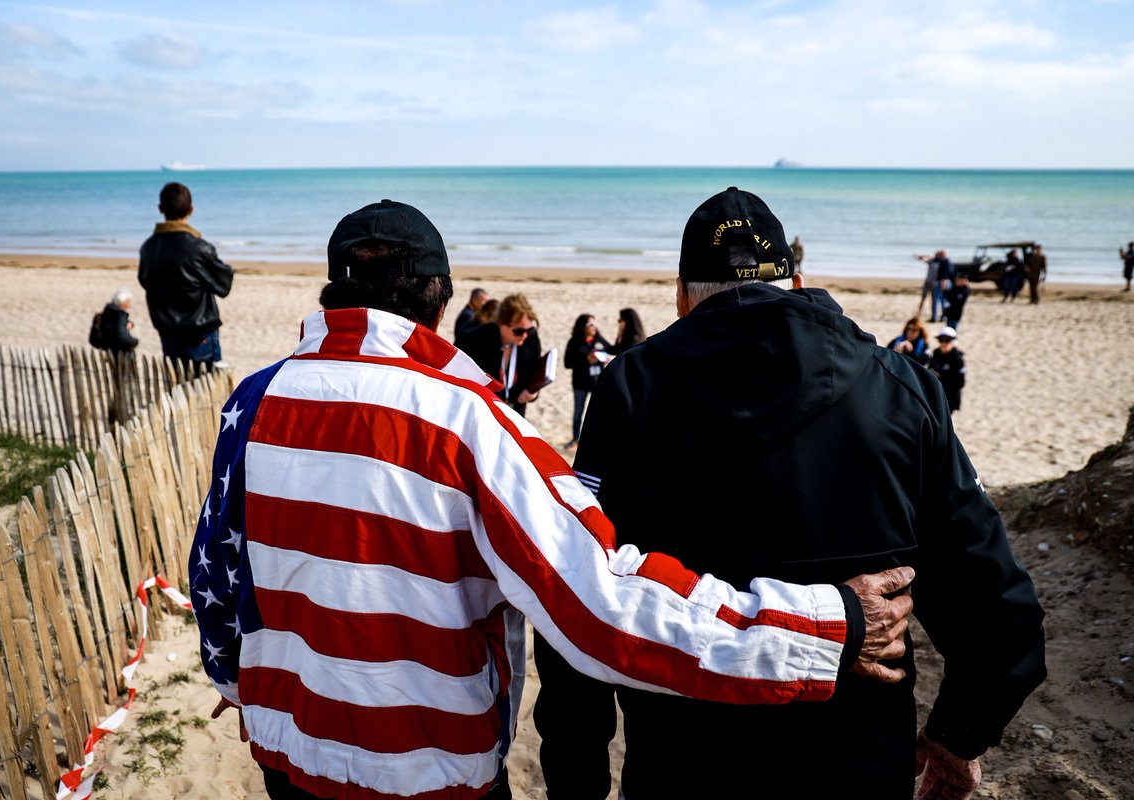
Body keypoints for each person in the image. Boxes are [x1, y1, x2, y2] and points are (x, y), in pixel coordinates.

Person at [188, 198, 916, 800]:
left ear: (334, 290)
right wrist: (825, 626)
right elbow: (600, 602)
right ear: (440, 300)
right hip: (427, 771)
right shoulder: (471, 424)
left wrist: (231, 676)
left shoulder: (253, 400)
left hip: (289, 754)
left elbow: (216, 570)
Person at [535, 187, 1045, 799]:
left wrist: (576, 778)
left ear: (682, 295)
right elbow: (998, 608)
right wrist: (959, 736)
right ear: (797, 282)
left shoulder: (629, 391)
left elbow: (577, 587)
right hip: (855, 762)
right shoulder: (900, 388)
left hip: (684, 762)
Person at [138, 182, 234, 370]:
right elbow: (224, 285)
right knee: (206, 384)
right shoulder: (199, 248)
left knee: (178, 383)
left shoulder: (148, 247)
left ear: (160, 209)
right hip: (200, 334)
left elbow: (144, 280)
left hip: (167, 331)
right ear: (191, 210)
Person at [457, 293, 544, 417]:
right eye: (518, 331)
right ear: (502, 323)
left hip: (516, 412)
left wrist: (534, 393)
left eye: (528, 330)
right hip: (484, 414)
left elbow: (535, 372)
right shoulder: (476, 340)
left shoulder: (531, 338)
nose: (524, 335)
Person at [563, 314, 612, 451]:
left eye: (594, 324)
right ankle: (575, 440)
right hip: (580, 383)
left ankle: (596, 441)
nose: (593, 327)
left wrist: (605, 358)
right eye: (590, 324)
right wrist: (586, 360)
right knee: (578, 412)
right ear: (582, 327)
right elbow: (567, 363)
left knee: (598, 412)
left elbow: (612, 350)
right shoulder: (574, 342)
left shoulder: (599, 340)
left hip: (597, 382)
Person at [929, 327, 966, 413]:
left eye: (947, 340)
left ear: (954, 342)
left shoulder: (957, 359)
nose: (943, 343)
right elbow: (930, 369)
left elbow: (960, 382)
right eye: (941, 340)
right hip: (935, 395)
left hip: (949, 398)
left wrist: (942, 377)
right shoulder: (936, 353)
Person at [916, 249, 953, 322]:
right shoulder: (935, 261)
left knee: (938, 300)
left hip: (939, 283)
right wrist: (922, 256)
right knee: (934, 300)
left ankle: (939, 317)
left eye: (939, 255)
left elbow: (946, 273)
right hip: (933, 282)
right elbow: (925, 259)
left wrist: (944, 281)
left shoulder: (944, 262)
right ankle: (931, 316)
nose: (937, 256)